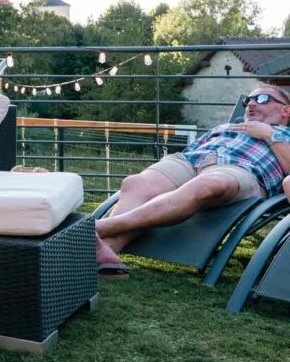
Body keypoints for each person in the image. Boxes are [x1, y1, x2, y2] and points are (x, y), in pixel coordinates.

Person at [95, 84, 290, 277]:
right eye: (248, 100)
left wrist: (269, 134)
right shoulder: (227, 127)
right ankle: (108, 253)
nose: (252, 104)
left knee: (207, 185)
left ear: (286, 110)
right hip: (191, 160)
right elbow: (193, 150)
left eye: (262, 99)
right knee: (136, 183)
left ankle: (100, 227)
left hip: (242, 169)